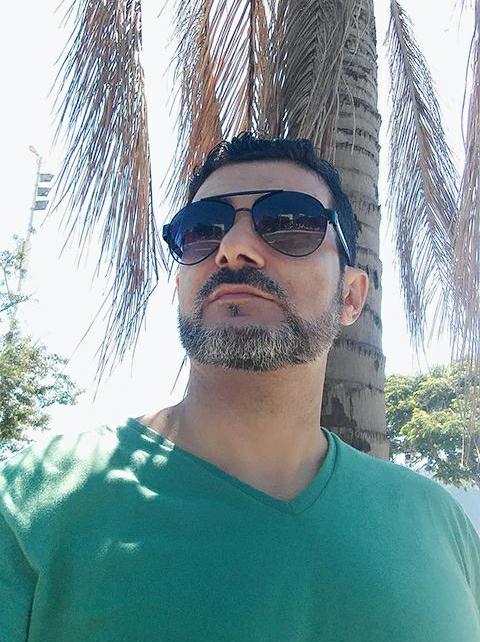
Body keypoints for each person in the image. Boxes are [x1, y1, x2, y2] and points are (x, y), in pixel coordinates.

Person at [1, 132, 479, 642]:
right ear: (180, 288)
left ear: (351, 296)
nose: (233, 249)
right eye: (202, 230)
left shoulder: (440, 527)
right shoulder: (32, 504)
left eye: (290, 222)